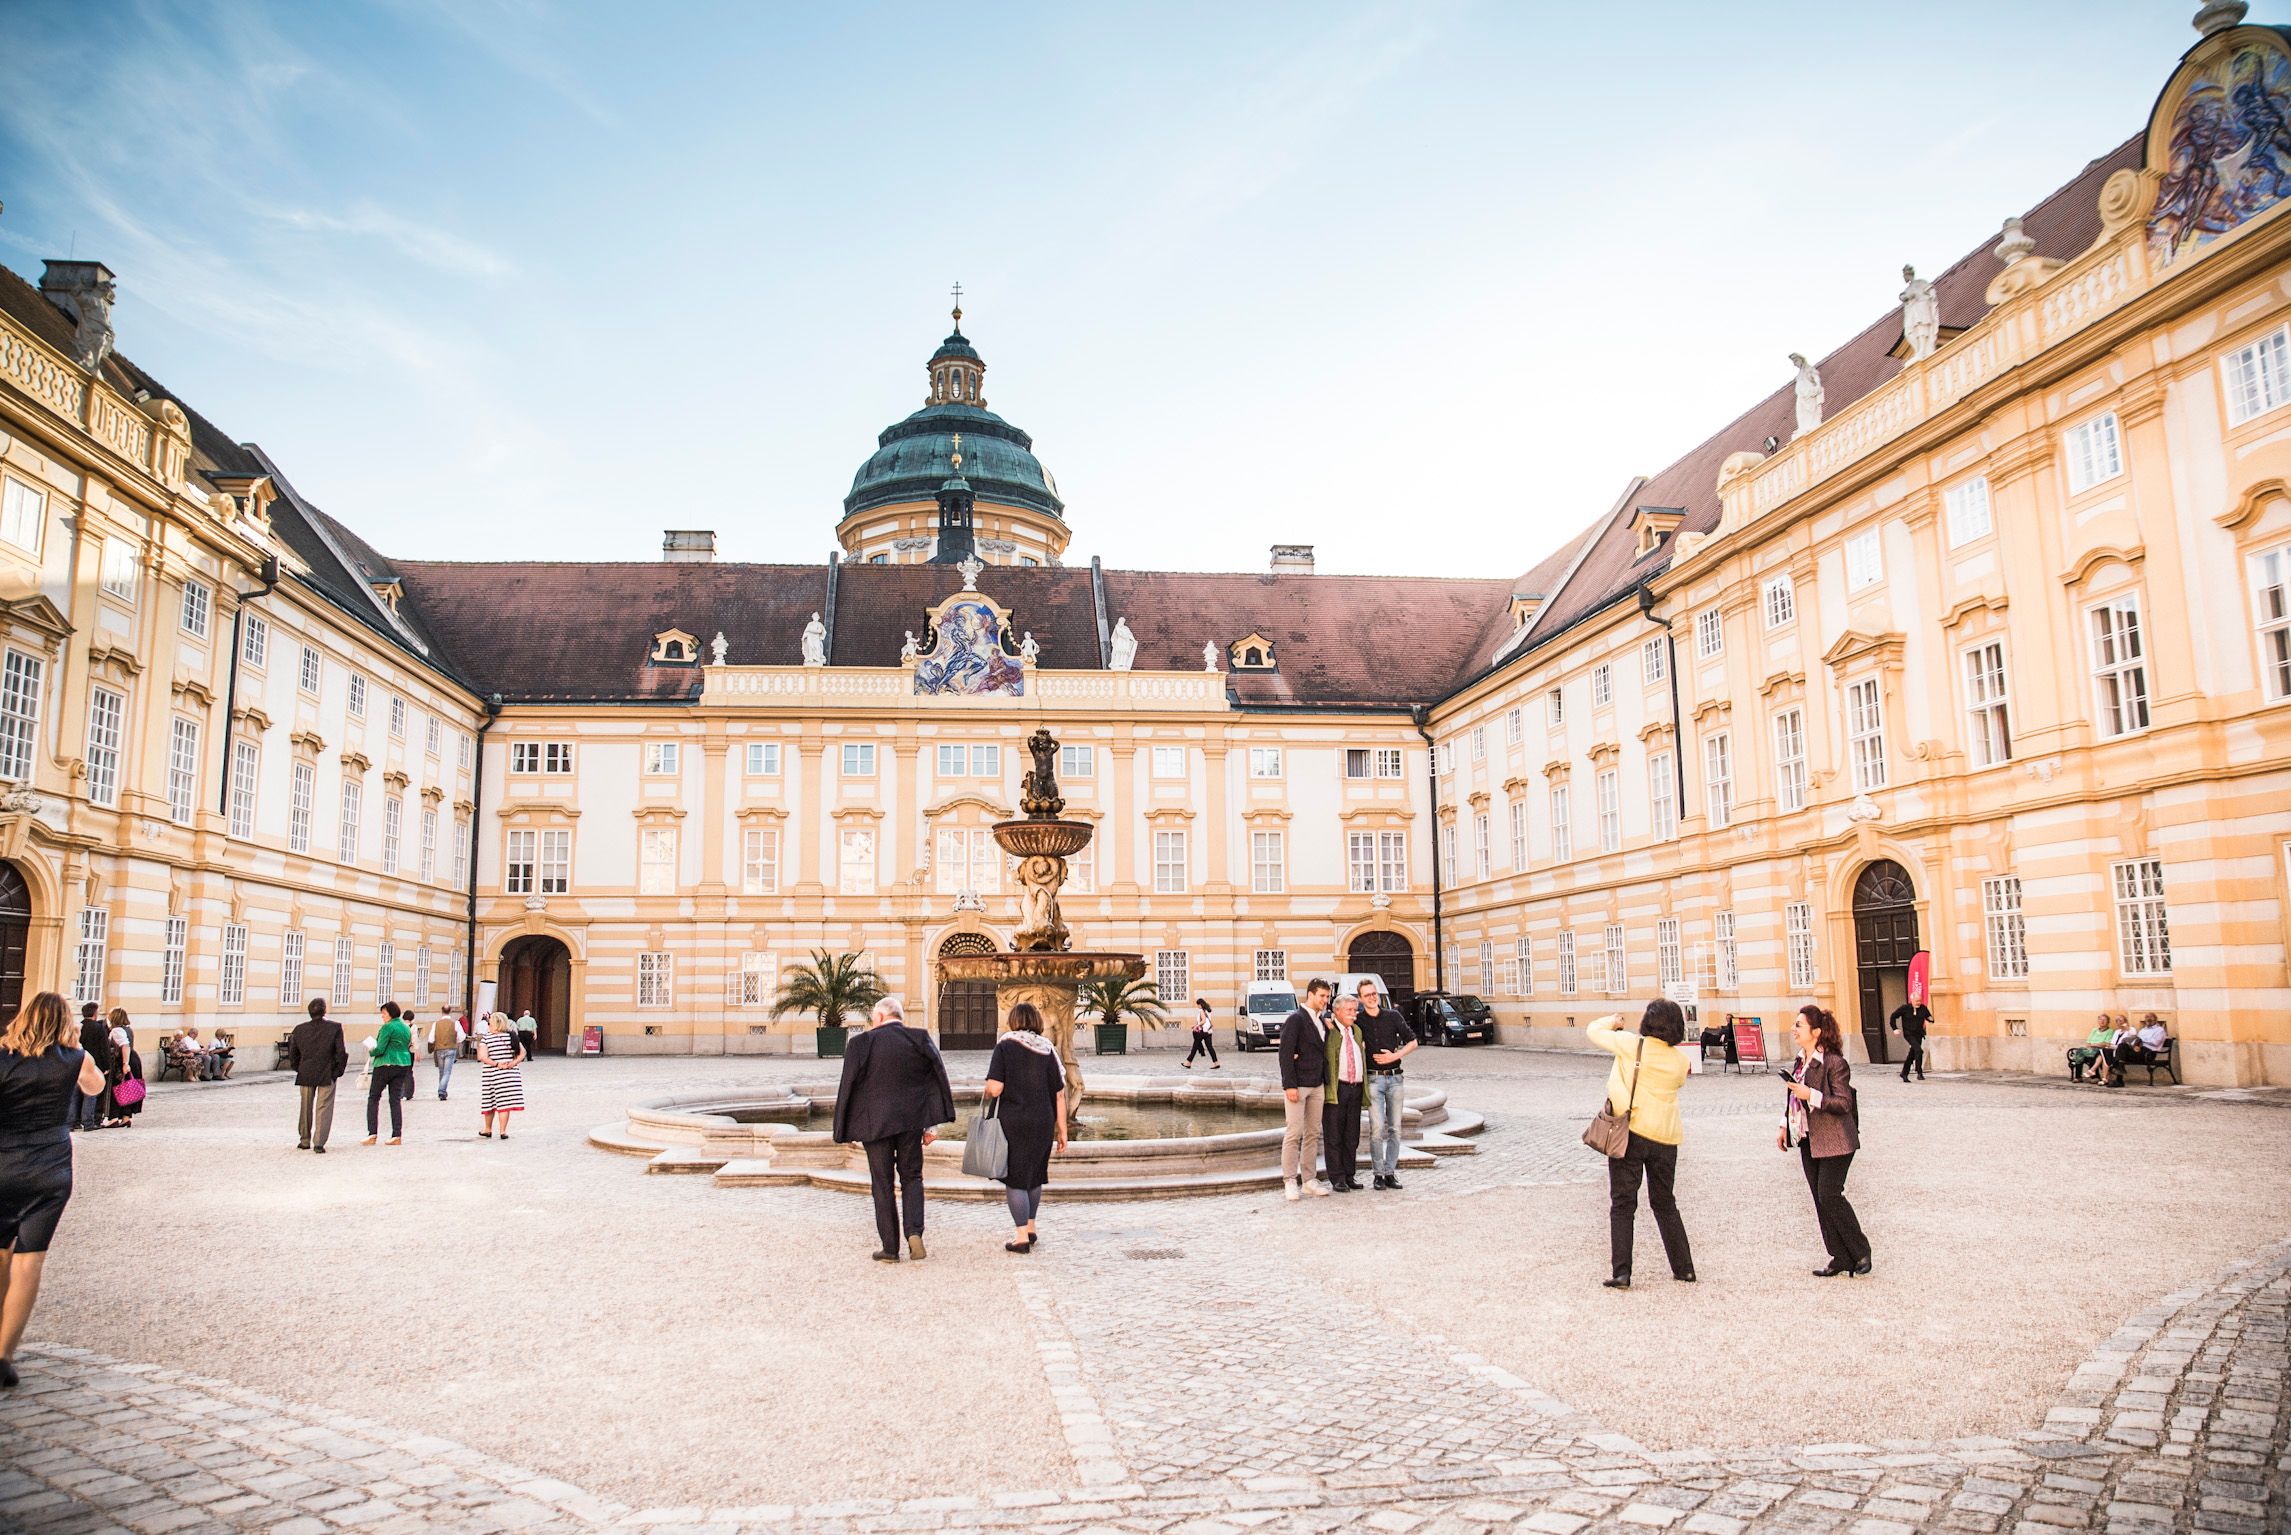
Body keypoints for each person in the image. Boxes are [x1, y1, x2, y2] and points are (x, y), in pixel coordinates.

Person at [0, 991, 107, 1389]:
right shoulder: (74, 1057)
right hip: (50, 1168)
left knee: (0, 1255)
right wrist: (77, 1048)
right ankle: (3, 1356)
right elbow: (96, 1089)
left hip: (4, 1163)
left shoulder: (3, 1054)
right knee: (30, 1262)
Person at [831, 997, 955, 1263]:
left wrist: (846, 1130)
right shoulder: (919, 1038)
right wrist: (932, 1123)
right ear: (899, 1016)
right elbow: (936, 1078)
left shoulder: (861, 1043)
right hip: (910, 1123)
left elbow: (848, 1088)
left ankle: (889, 1248)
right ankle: (914, 1232)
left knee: (882, 1183)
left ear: (878, 1017)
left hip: (874, 1126)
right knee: (912, 1177)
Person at [1588, 1003, 1696, 1290]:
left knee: (1623, 1204)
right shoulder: (1679, 1061)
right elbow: (1678, 1083)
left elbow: (1593, 1030)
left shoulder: (1630, 1044)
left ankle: (1622, 1272)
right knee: (1664, 1202)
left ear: (1648, 1022)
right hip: (1665, 1138)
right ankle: (1684, 1267)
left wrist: (1613, 1020)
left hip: (1631, 1133)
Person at [1783, 1004, 1871, 1277]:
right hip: (1810, 1138)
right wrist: (1783, 1125)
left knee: (1829, 1194)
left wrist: (1811, 1095)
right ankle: (1839, 1255)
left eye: (1799, 1025)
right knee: (1820, 1199)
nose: (1794, 1029)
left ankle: (1860, 1250)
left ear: (1817, 1032)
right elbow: (1792, 1095)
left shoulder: (1834, 1063)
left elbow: (1843, 1103)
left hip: (1836, 1139)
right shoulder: (1800, 1060)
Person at [983, 1001, 1067, 1253]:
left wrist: (988, 1088)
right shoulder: (1047, 1048)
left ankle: (1020, 1238)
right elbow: (1060, 1094)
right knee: (1035, 1175)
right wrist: (1062, 1130)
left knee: (1016, 1178)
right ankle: (1031, 1228)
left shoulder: (1005, 1045)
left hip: (1014, 1121)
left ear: (1013, 1020)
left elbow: (995, 1087)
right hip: (1043, 1121)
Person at [1276, 978, 1334, 1202]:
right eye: (1322, 996)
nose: (1325, 1001)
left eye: (1327, 997)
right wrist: (1289, 1085)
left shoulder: (1322, 1021)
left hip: (1317, 1083)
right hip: (1298, 1084)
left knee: (1312, 1133)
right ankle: (1290, 1180)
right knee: (1294, 1133)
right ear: (1310, 994)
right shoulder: (1295, 1020)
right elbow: (1285, 1054)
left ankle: (1309, 1179)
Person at [1359, 980, 1416, 1190]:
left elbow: (1413, 1041)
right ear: (1361, 999)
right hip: (1373, 1079)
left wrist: (1396, 1055)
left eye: (1374, 993)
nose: (1372, 997)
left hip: (1395, 1078)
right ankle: (1378, 1174)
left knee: (1395, 1129)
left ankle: (1390, 1172)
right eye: (1367, 995)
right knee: (1376, 1129)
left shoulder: (1393, 1016)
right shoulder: (1358, 1020)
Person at [1320, 994, 1368, 1192]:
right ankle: (1337, 1177)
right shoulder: (1328, 1031)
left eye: (1355, 1010)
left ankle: (1349, 1175)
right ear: (1337, 1011)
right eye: (1349, 1010)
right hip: (1337, 1088)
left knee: (1351, 1135)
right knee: (1334, 1135)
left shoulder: (1356, 1031)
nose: (1353, 1014)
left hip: (1355, 1088)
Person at [287, 998, 348, 1153]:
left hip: (306, 1071)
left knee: (305, 1106)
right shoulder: (335, 1028)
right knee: (324, 1107)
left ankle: (304, 1140)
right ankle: (319, 1142)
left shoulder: (299, 1029)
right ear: (324, 1011)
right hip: (327, 1072)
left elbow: (293, 1053)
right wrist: (338, 1071)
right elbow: (340, 1052)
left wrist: (298, 1067)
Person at [361, 1002, 414, 1146]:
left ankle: (372, 1134)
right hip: (402, 1064)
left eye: (384, 1013)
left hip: (386, 1064)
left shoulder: (387, 1027)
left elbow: (380, 1048)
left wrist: (371, 1049)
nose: (382, 1016)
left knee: (373, 1098)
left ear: (391, 1013)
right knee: (395, 1100)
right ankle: (396, 1134)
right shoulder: (405, 1027)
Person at [475, 1011, 527, 1137]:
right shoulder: (512, 1037)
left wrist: (497, 1064)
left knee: (490, 1102)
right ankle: (503, 1131)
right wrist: (512, 1063)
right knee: (505, 1104)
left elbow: (482, 1056)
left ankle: (487, 1129)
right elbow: (523, 1053)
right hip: (510, 1075)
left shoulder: (487, 1038)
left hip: (492, 1074)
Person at [69, 1003, 113, 1133]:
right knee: (90, 1094)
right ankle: (88, 1122)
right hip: (93, 1065)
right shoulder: (98, 1028)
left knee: (75, 1094)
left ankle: (72, 1122)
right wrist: (106, 1065)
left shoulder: (78, 1027)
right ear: (95, 1013)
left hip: (77, 1063)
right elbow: (104, 1048)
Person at [104, 1011, 141, 1129]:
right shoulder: (128, 1029)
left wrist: (125, 1063)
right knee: (127, 1088)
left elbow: (125, 1045)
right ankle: (126, 1117)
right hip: (133, 1058)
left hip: (122, 1060)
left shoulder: (117, 1030)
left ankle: (114, 1117)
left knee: (117, 1088)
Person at [1889, 996, 1931, 1082]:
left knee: (1912, 1054)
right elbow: (1893, 1016)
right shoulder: (1905, 1008)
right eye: (1916, 1001)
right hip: (1909, 1034)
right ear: (1912, 1000)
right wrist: (1895, 1028)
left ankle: (1904, 1073)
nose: (1918, 1003)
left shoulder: (1923, 1008)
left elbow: (1928, 1016)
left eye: (1920, 1001)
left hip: (1919, 1034)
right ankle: (1919, 1072)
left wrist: (1931, 1019)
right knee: (1919, 1050)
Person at [428, 1008, 467, 1100]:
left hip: (439, 1049)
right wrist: (455, 1040)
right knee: (447, 1072)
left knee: (442, 1071)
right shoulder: (455, 1023)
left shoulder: (436, 1024)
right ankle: (442, 1090)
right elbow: (462, 1037)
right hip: (451, 1049)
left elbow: (431, 1038)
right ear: (450, 1012)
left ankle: (442, 1091)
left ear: (441, 1012)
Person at [2067, 1013, 2115, 1083]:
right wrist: (2092, 1046)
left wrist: (2093, 1045)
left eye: (2104, 1020)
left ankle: (2095, 1077)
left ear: (2108, 1022)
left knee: (2094, 1053)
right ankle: (2078, 1077)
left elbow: (2105, 1044)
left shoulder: (2110, 1031)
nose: (2102, 1021)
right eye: (2100, 1019)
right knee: (2080, 1051)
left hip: (2101, 1051)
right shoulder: (2094, 1030)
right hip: (2091, 1050)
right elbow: (2088, 1042)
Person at [1181, 997, 1220, 1069]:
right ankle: (1216, 1063)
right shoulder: (1208, 1010)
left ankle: (1188, 1063)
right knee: (1210, 1047)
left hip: (1202, 1031)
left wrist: (1197, 1026)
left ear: (1200, 1005)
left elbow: (1204, 1021)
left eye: (1198, 1005)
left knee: (1195, 1046)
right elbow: (1202, 1020)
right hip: (1208, 1031)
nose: (1197, 1007)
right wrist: (1195, 1025)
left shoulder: (1201, 1011)